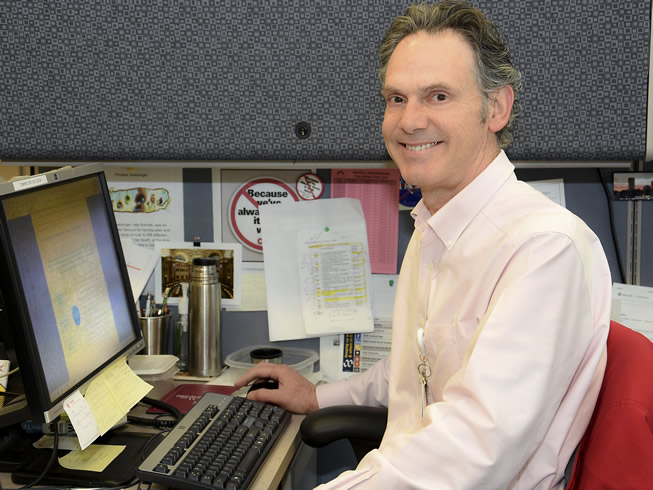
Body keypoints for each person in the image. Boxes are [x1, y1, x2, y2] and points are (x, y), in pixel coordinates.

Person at [235, 1, 612, 488]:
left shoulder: (543, 250)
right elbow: (418, 368)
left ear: (495, 107)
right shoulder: (437, 226)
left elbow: (473, 451)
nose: (410, 121)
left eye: (437, 96)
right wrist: (319, 397)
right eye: (396, 98)